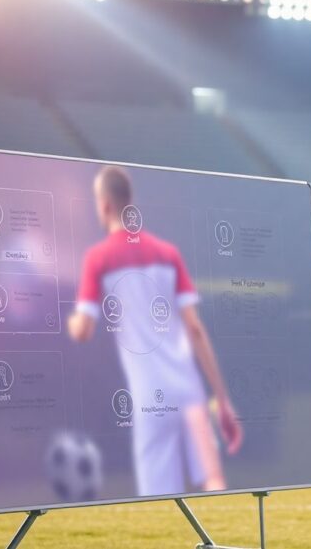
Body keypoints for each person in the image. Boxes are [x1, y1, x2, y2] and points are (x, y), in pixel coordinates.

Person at [68, 165, 244, 495]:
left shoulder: (98, 258)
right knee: (213, 482)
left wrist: (71, 319)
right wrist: (222, 399)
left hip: (150, 397)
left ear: (104, 204)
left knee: (157, 496)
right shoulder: (168, 253)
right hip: (190, 392)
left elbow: (83, 330)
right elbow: (195, 328)